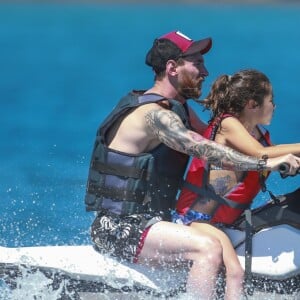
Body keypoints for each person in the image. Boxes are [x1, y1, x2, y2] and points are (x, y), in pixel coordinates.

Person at [84, 32, 300, 300]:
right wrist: (265, 161)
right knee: (208, 248)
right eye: (197, 63)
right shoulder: (154, 116)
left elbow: (221, 139)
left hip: (156, 224)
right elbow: (206, 149)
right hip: (119, 227)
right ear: (173, 68)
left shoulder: (180, 110)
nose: (205, 71)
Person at [174, 69, 300, 227]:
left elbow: (278, 155)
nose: (274, 106)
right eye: (270, 101)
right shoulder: (228, 124)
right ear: (253, 104)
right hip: (196, 219)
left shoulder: (259, 134)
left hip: (224, 223)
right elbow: (261, 154)